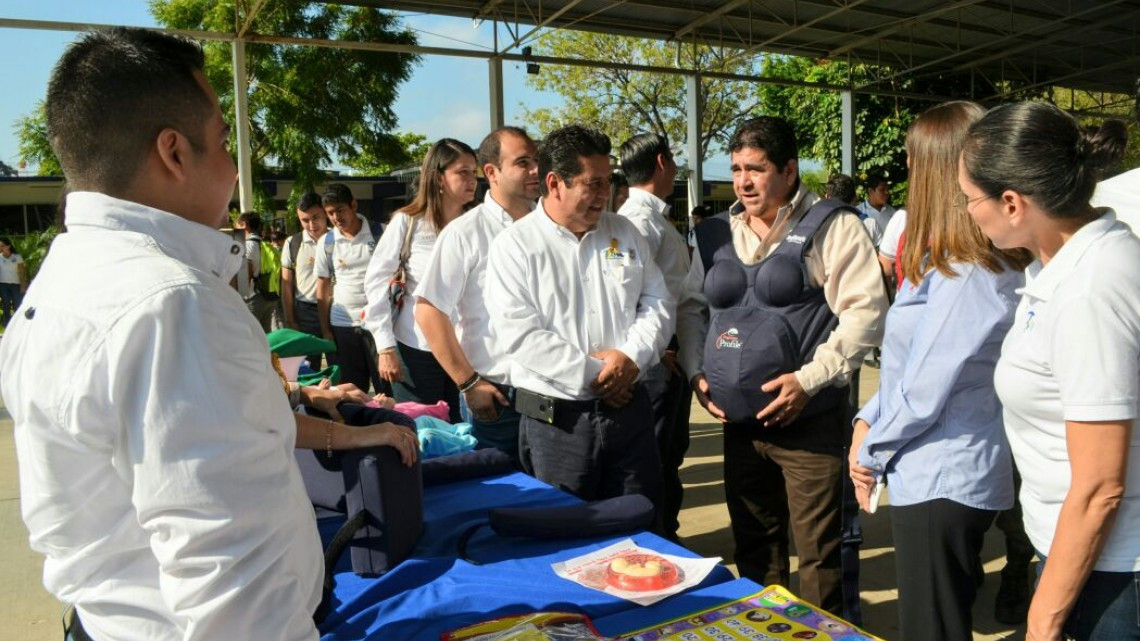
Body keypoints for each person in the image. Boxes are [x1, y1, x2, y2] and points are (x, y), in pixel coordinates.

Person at [0, 27, 326, 640]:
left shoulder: (60, 281)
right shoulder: (175, 305)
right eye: (225, 142)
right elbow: (235, 595)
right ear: (175, 153)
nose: (233, 166)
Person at [677, 116, 887, 614]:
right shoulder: (715, 234)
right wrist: (696, 374)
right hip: (740, 427)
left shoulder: (833, 226)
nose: (744, 181)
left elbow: (866, 313)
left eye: (757, 168)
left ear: (789, 170)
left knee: (819, 558)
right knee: (754, 551)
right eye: (736, 169)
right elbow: (691, 309)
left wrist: (810, 380)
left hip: (808, 425)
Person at [848, 101, 1034, 641]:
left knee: (931, 629)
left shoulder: (968, 271)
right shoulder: (945, 258)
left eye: (910, 161)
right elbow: (910, 370)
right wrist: (868, 419)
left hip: (941, 475)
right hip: (934, 467)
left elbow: (926, 387)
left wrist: (871, 449)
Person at [960, 101, 1138, 641]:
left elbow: (1100, 485)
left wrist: (1045, 616)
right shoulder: (1062, 267)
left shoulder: (1089, 289)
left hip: (1110, 573)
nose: (966, 211)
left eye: (969, 199)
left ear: (1012, 203)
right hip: (1074, 550)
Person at [486, 124, 673, 512]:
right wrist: (600, 376)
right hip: (556, 423)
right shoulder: (515, 247)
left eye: (608, 182)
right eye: (593, 184)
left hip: (628, 414)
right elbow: (520, 335)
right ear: (555, 184)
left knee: (638, 527)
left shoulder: (624, 232)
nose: (605, 195)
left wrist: (631, 359)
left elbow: (657, 302)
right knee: (564, 537)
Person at [415, 127, 540, 463]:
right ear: (492, 172)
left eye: (537, 161)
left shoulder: (551, 228)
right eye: (523, 162)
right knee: (501, 498)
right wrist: (468, 383)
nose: (535, 171)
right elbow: (428, 311)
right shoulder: (464, 233)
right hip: (496, 397)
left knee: (554, 501)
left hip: (552, 392)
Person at [364, 139, 476, 422]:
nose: (472, 180)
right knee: (424, 433)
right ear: (439, 177)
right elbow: (376, 282)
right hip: (416, 350)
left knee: (465, 435)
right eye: (463, 172)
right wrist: (385, 347)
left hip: (468, 350)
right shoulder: (407, 222)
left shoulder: (476, 225)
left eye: (474, 173)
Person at [616, 132, 692, 540]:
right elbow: (626, 294)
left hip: (668, 348)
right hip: (659, 354)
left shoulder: (651, 217)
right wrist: (656, 350)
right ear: (662, 163)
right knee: (659, 453)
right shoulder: (639, 222)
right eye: (674, 161)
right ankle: (660, 536)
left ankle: (667, 531)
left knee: (670, 449)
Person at [315, 183, 384, 393]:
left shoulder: (380, 233)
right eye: (330, 213)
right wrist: (326, 330)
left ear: (353, 205)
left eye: (340, 210)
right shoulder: (326, 242)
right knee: (352, 390)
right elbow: (323, 287)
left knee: (385, 386)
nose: (336, 218)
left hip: (377, 324)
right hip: (343, 324)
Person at [282, 192, 333, 370]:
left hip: (335, 312)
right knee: (308, 369)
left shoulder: (338, 240)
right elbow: (287, 284)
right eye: (305, 220)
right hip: (305, 315)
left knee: (340, 365)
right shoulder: (292, 243)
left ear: (325, 213)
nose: (311, 225)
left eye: (316, 217)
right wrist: (291, 319)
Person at [235, 211, 277, 331]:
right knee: (266, 335)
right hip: (267, 295)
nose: (236, 229)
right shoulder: (264, 243)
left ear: (244, 225)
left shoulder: (248, 245)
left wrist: (242, 298)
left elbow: (246, 274)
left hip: (254, 297)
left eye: (238, 225)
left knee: (250, 334)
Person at [856, 173, 895, 247]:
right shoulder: (858, 212)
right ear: (870, 191)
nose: (886, 193)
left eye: (887, 190)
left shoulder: (892, 212)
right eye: (882, 190)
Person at [0, 236, 27, 325]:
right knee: (6, 306)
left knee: (17, 305)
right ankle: (7, 326)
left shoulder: (17, 257)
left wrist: (23, 286)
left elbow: (22, 272)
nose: (1, 248)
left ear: (8, 246)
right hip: (3, 285)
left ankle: (18, 325)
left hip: (16, 285)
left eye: (2, 246)